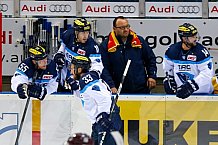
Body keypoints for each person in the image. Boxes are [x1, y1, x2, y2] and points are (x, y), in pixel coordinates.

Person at [70, 56, 122, 145]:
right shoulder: (86, 79)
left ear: (79, 69)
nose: (71, 72)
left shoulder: (86, 80)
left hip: (107, 118)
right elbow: (88, 98)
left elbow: (104, 98)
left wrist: (103, 117)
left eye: (72, 68)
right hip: (99, 122)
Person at [100, 16, 157, 94]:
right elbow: (104, 68)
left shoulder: (139, 41)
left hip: (141, 88)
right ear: (114, 29)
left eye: (127, 26)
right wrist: (111, 85)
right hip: (118, 89)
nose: (126, 30)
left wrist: (152, 76)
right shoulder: (106, 45)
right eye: (122, 27)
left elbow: (150, 59)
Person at [163, 23, 214, 99]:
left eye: (195, 35)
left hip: (203, 94)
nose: (195, 38)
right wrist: (170, 82)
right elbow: (168, 69)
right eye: (192, 36)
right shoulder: (172, 51)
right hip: (182, 94)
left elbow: (207, 74)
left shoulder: (201, 52)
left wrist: (191, 86)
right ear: (184, 38)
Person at [54, 18, 103, 92]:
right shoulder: (68, 35)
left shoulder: (92, 47)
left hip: (80, 78)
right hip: (66, 72)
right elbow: (62, 48)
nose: (86, 36)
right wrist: (59, 54)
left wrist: (85, 80)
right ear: (76, 32)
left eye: (87, 32)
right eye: (83, 33)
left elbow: (97, 66)